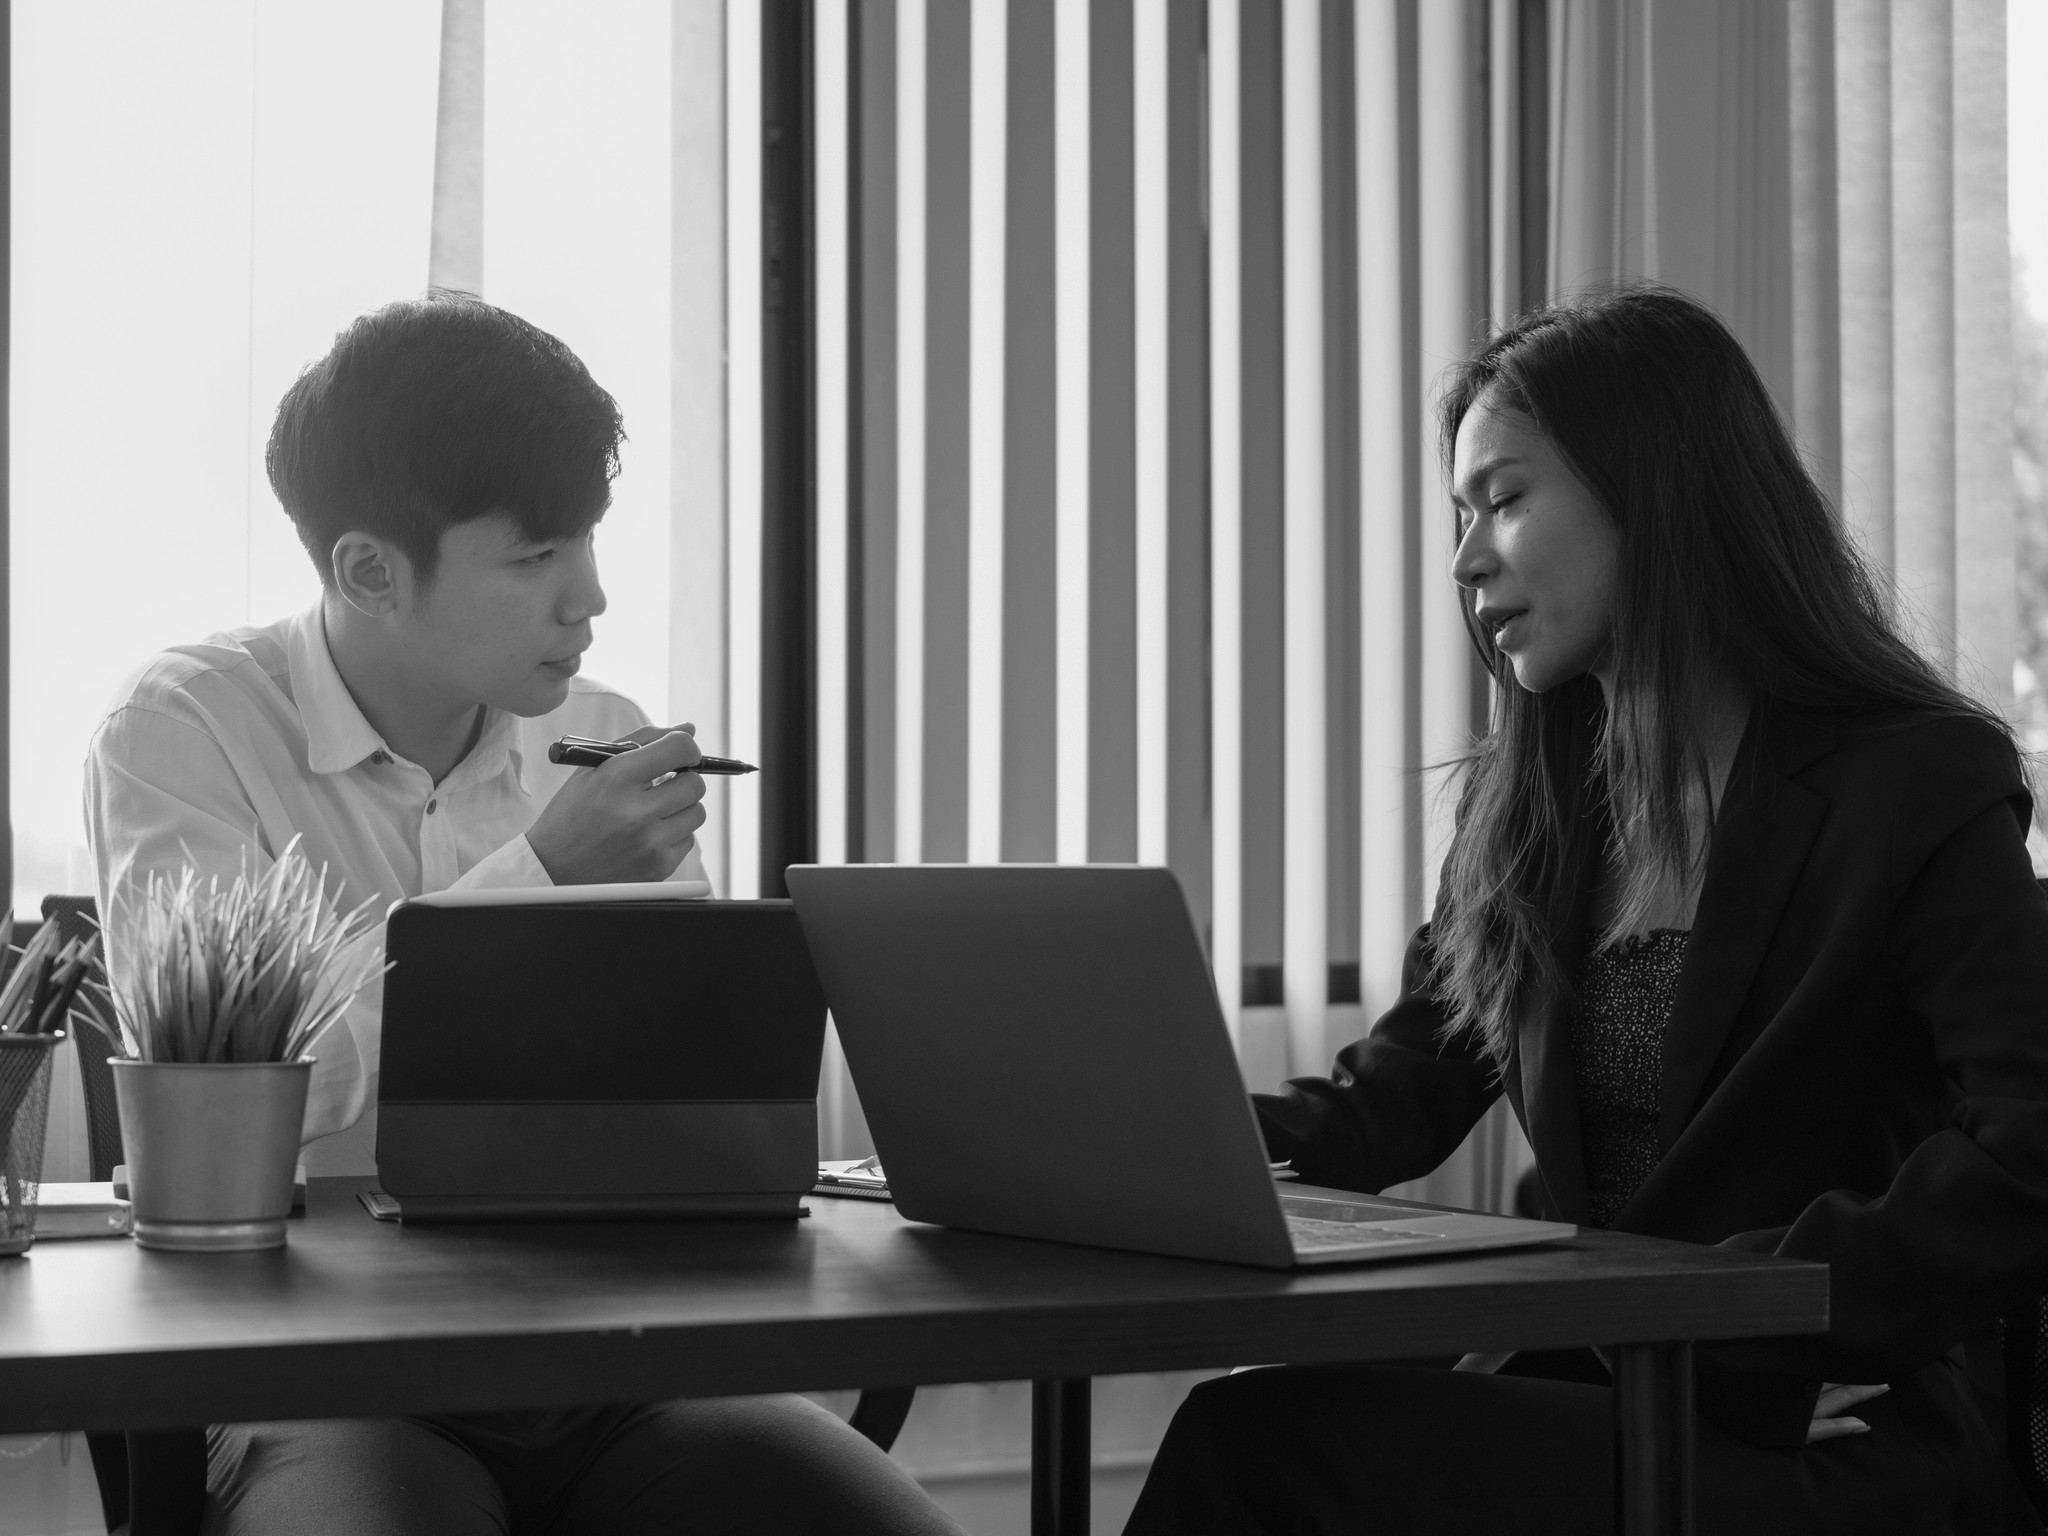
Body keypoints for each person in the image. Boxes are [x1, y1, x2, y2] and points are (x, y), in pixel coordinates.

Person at [1123, 286, 2048, 1535]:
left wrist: (1754, 1327)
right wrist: (1118, 1150)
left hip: (1831, 1413)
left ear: (1653, 492)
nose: (1462, 560)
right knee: (1264, 1412)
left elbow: (2027, 1149)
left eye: (1501, 500)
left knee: (1258, 1446)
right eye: (1461, 515)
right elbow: (1384, 1104)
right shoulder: (1534, 814)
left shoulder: (1910, 783)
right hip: (1615, 1379)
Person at [86, 292, 964, 1536]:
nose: (587, 599)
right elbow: (235, 1087)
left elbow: (680, 1105)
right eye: (536, 555)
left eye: (589, 541)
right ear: (368, 571)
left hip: (608, 1360)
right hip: (316, 1370)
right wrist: (538, 878)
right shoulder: (185, 733)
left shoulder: (591, 725)